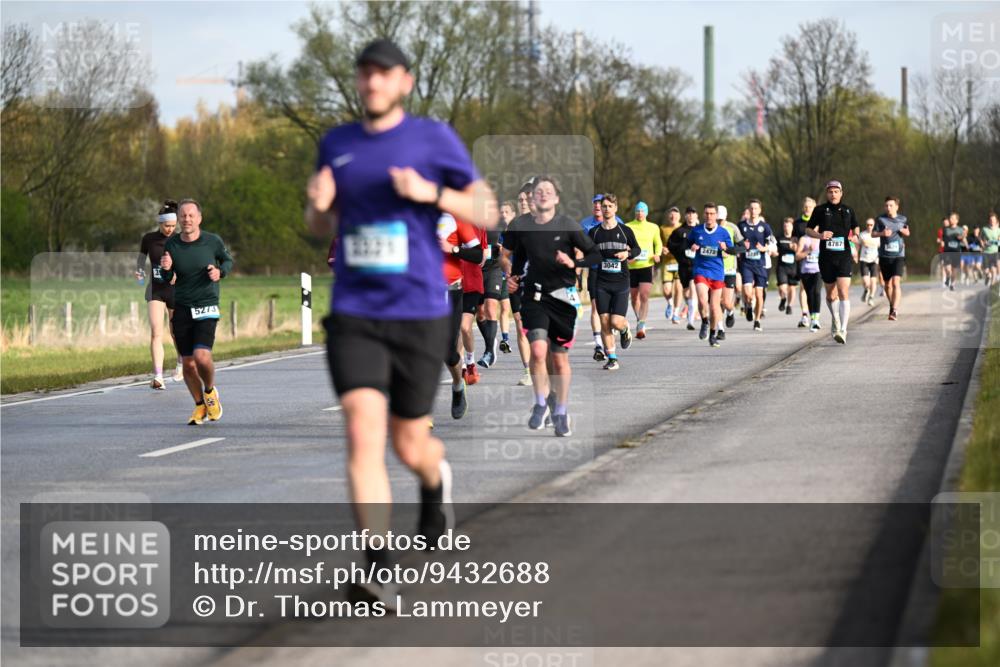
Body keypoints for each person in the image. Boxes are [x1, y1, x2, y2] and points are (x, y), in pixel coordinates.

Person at [305, 39, 497, 607]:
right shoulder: (335, 143)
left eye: (383, 74)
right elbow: (320, 226)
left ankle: (435, 485)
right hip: (357, 314)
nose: (372, 83)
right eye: (364, 73)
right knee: (363, 433)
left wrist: (430, 192)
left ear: (404, 82)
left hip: (421, 310)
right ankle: (377, 566)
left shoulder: (433, 138)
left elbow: (485, 209)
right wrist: (318, 206)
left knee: (411, 444)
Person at [505, 176, 601, 437]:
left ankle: (560, 409)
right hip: (534, 297)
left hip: (562, 298)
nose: (543, 194)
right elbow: (513, 259)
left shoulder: (568, 225)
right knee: (537, 351)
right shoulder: (522, 226)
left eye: (548, 191)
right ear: (532, 198)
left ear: (557, 198)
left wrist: (573, 263)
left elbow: (595, 254)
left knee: (558, 359)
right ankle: (539, 403)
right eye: (538, 191)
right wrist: (511, 279)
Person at [156, 199, 233, 423]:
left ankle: (209, 391)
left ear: (199, 218)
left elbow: (227, 261)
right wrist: (166, 270)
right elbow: (166, 279)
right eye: (183, 216)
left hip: (206, 305)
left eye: (191, 215)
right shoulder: (172, 245)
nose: (187, 219)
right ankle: (199, 405)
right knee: (188, 363)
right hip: (182, 308)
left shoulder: (212, 241)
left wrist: (220, 272)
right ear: (178, 219)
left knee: (202, 356)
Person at [804, 180, 859, 344]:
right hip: (826, 258)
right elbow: (808, 229)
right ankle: (835, 319)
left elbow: (856, 227)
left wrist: (855, 235)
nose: (833, 194)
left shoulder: (849, 210)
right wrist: (820, 236)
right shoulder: (820, 210)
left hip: (844, 256)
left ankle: (843, 329)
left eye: (836, 191)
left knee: (843, 291)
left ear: (841, 193)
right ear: (827, 194)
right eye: (830, 192)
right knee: (830, 295)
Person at [588, 194, 639, 369]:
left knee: (615, 322)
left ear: (615, 208)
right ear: (600, 209)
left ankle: (625, 329)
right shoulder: (594, 232)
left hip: (621, 282)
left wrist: (628, 254)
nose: (607, 209)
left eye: (610, 206)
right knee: (604, 321)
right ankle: (612, 358)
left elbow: (637, 249)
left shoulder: (625, 231)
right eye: (604, 206)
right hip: (602, 281)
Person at [136, 200, 183, 389]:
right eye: (166, 226)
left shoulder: (181, 240)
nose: (170, 229)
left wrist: (178, 274)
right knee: (156, 332)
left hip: (176, 290)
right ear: (160, 223)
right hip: (155, 289)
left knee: (175, 332)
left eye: (173, 226)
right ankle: (158, 376)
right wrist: (139, 272)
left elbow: (187, 263)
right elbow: (141, 259)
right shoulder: (149, 239)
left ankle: (181, 365)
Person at [500, 182, 537, 386]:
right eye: (521, 199)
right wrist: (506, 266)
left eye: (527, 198)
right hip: (517, 282)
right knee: (521, 325)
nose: (523, 202)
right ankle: (528, 371)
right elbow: (504, 256)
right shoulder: (515, 226)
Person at [688, 203, 737, 347]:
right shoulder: (697, 231)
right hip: (701, 270)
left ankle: (712, 334)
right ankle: (704, 321)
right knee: (703, 300)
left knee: (715, 307)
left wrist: (725, 248)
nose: (709, 216)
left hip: (717, 272)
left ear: (716, 215)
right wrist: (692, 247)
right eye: (707, 213)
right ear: (704, 215)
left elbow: (733, 250)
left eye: (712, 214)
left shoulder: (723, 232)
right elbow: (687, 242)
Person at [626, 201, 662, 339]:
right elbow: (624, 244)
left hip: (647, 265)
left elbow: (658, 243)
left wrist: (657, 254)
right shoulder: (628, 226)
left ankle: (641, 323)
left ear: (646, 213)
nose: (640, 213)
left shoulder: (653, 227)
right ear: (635, 212)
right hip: (632, 266)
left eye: (642, 211)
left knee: (644, 295)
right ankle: (638, 318)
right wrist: (628, 255)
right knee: (634, 297)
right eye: (638, 211)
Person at [737, 198, 773, 332]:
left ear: (760, 210)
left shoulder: (765, 227)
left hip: (760, 265)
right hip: (746, 264)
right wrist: (742, 246)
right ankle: (748, 305)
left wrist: (764, 249)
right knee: (747, 293)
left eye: (756, 208)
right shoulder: (741, 226)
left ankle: (757, 320)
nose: (753, 211)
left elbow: (773, 243)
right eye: (751, 208)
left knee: (759, 294)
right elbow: (735, 242)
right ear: (748, 210)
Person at [873, 196, 910, 320]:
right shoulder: (880, 219)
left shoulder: (903, 219)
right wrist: (882, 234)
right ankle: (891, 304)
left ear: (896, 207)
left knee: (896, 282)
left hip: (898, 255)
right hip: (884, 255)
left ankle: (894, 310)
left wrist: (903, 231)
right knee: (887, 285)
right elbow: (873, 233)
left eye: (891, 205)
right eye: (886, 205)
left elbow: (908, 232)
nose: (888, 208)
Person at [666, 208, 699, 330]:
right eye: (688, 214)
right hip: (683, 265)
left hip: (696, 265)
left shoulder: (700, 230)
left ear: (696, 216)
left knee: (693, 287)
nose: (691, 216)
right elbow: (670, 246)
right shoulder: (679, 231)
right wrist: (682, 250)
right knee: (686, 292)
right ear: (685, 216)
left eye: (693, 214)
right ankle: (690, 306)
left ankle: (690, 319)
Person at [716, 205, 743, 339]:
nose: (719, 221)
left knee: (726, 302)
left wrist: (729, 251)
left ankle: (730, 311)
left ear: (725, 216)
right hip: (714, 269)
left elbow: (742, 246)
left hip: (729, 269)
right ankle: (720, 329)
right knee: (716, 301)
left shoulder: (732, 228)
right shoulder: (710, 228)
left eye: (721, 219)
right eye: (718, 219)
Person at [493, 201, 516, 357]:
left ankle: (505, 339)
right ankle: (503, 339)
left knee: (507, 309)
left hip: (516, 275)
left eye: (506, 211)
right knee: (501, 307)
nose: (503, 215)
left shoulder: (517, 231)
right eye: (501, 212)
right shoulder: (498, 232)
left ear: (513, 214)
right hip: (499, 274)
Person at [793, 197, 817, 327]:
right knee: (803, 287)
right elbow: (794, 239)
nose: (808, 209)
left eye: (810, 207)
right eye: (806, 206)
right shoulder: (798, 223)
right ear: (803, 208)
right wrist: (794, 245)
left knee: (814, 289)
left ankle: (814, 312)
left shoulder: (820, 222)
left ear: (815, 208)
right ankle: (804, 315)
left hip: (817, 259)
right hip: (803, 259)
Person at [658, 206, 683, 320]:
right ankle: (670, 304)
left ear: (679, 217)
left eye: (675, 215)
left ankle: (676, 312)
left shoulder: (683, 227)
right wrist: (662, 249)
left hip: (680, 262)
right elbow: (658, 244)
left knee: (678, 288)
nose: (673, 217)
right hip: (667, 262)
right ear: (668, 216)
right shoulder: (662, 228)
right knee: (666, 289)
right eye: (671, 215)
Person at [796, 233, 823, 332]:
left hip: (818, 270)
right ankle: (813, 319)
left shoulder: (821, 239)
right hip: (806, 271)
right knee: (810, 295)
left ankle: (816, 319)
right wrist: (808, 251)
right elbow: (797, 256)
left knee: (817, 292)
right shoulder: (803, 239)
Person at [774, 217, 800, 316]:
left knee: (792, 288)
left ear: (792, 227)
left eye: (788, 225)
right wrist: (774, 252)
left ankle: (789, 306)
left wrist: (795, 248)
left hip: (793, 267)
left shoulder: (795, 239)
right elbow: (774, 248)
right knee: (782, 288)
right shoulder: (779, 238)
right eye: (785, 225)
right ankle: (783, 298)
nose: (786, 228)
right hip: (782, 267)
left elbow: (800, 251)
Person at [939, 213, 965, 291]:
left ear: (957, 220)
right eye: (950, 218)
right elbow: (942, 239)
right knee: (947, 269)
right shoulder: (945, 229)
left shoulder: (960, 229)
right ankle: (947, 277)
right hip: (947, 252)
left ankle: (952, 284)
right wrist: (942, 242)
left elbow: (962, 239)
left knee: (954, 270)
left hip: (956, 252)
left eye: (953, 218)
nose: (951, 220)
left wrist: (962, 236)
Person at [858, 218, 880, 306]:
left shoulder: (877, 235)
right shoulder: (862, 235)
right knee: (866, 282)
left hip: (874, 260)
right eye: (867, 224)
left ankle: (871, 297)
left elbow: (880, 247)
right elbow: (858, 245)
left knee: (873, 281)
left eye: (871, 225)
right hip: (864, 259)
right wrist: (855, 254)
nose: (869, 226)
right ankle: (866, 290)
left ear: (874, 225)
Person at [981, 211, 1000, 287]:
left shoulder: (999, 230)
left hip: (995, 252)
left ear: (996, 221)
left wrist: (998, 242)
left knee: (994, 269)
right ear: (989, 221)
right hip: (986, 252)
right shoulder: (984, 229)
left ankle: (992, 285)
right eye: (991, 220)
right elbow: (981, 238)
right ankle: (988, 276)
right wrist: (982, 243)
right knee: (986, 271)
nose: (992, 221)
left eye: (993, 220)